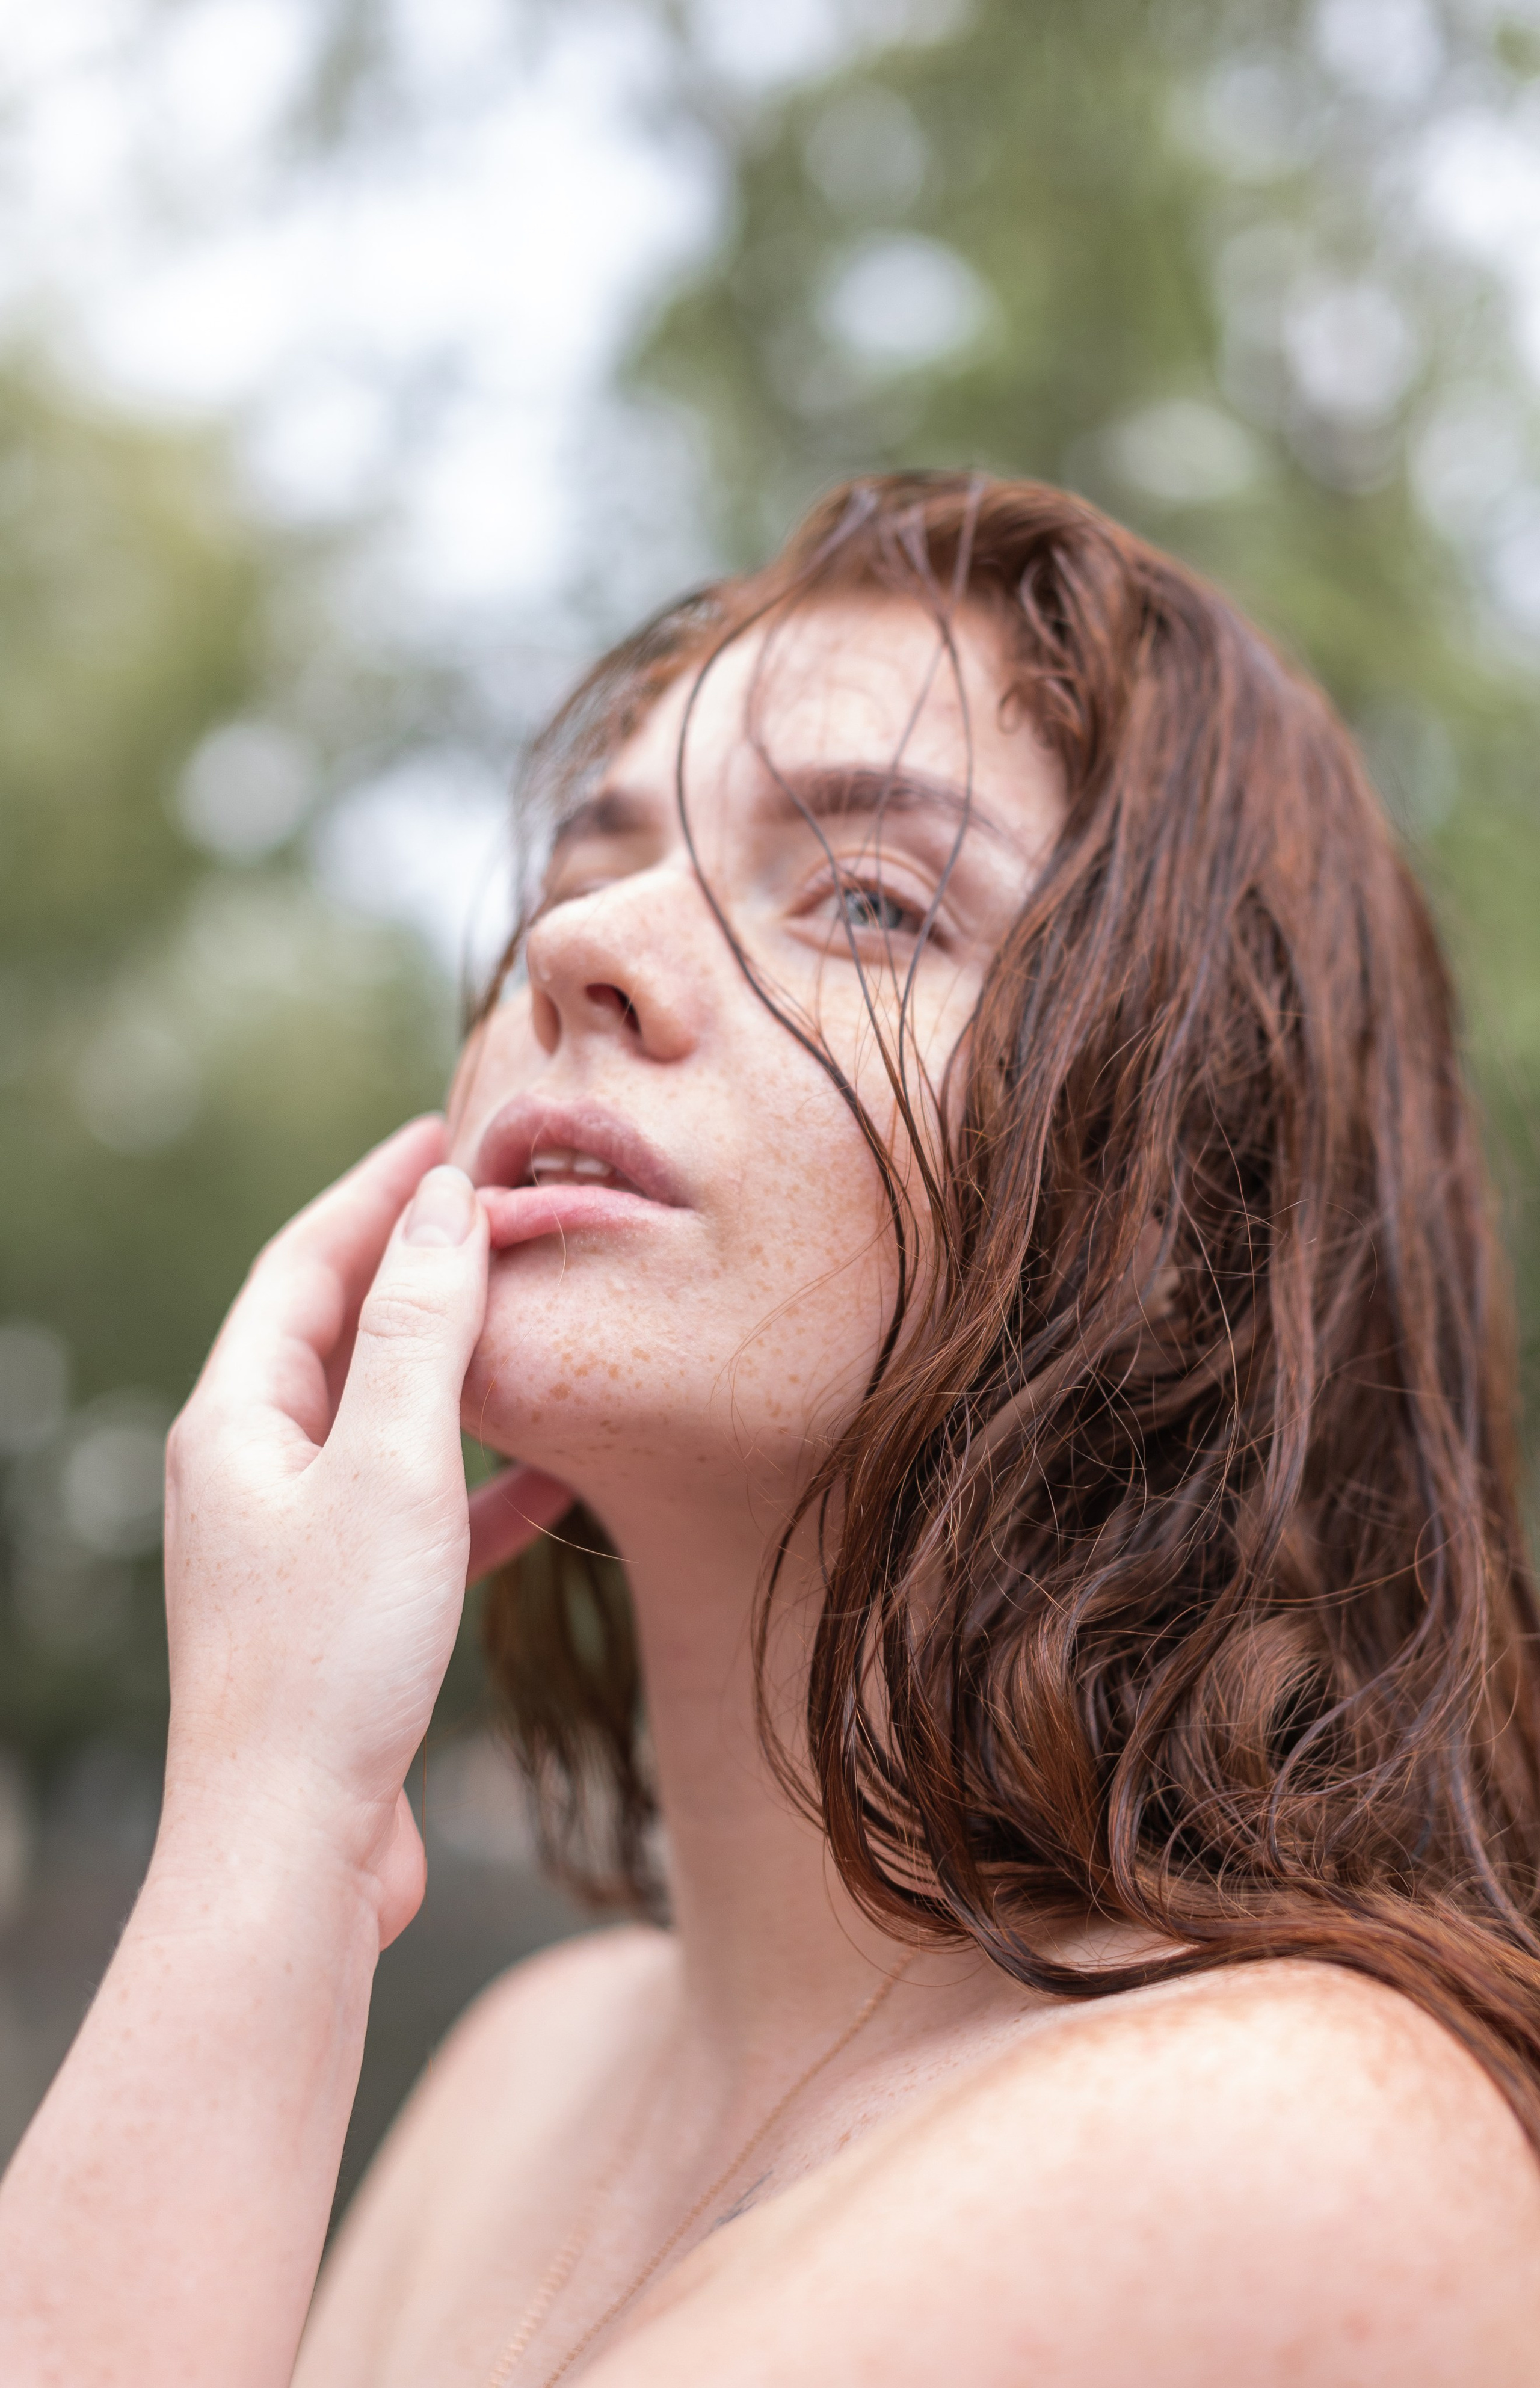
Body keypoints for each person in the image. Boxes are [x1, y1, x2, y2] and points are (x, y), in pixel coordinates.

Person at [4, 472, 1540, 2387]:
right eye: (585, 864)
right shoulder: (520, 2066)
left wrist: (256, 1846)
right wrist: (273, 1817)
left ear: (1180, 1185)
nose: (589, 948)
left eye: (873, 901)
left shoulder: (1281, 2139)